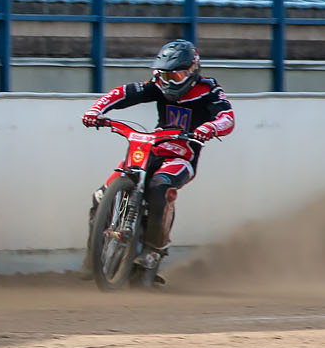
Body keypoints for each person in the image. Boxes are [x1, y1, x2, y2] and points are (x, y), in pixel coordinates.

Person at [82, 38, 234, 283]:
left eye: (174, 77)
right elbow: (122, 93)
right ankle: (93, 256)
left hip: (183, 154)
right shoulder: (156, 86)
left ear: (192, 71)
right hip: (154, 146)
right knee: (101, 195)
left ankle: (153, 251)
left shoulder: (209, 90)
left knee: (160, 187)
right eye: (163, 76)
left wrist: (210, 128)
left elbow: (227, 117)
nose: (167, 82)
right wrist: (95, 111)